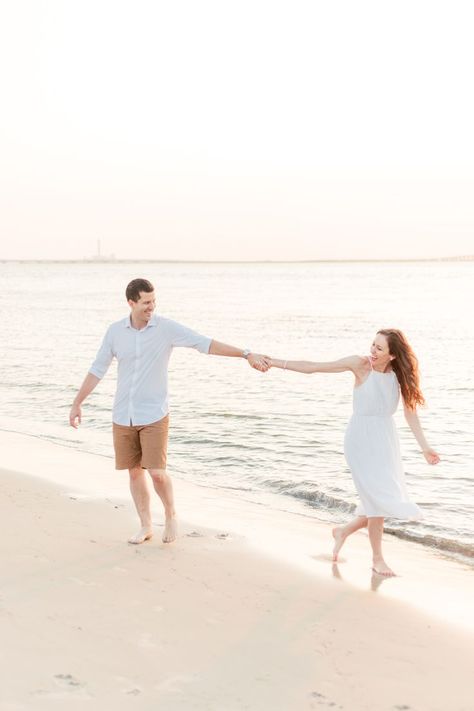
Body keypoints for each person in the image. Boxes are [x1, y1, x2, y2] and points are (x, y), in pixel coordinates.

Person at [69, 278, 270, 545]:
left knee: (156, 472)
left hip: (154, 413)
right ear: (131, 302)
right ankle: (145, 526)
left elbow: (205, 343)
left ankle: (171, 513)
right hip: (123, 415)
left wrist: (246, 354)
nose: (152, 306)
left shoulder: (165, 328)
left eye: (154, 301)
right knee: (134, 472)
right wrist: (77, 402)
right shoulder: (115, 332)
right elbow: (98, 369)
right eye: (146, 302)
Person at [268, 329, 440, 577]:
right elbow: (314, 367)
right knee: (378, 500)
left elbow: (410, 414)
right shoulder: (359, 365)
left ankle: (344, 531)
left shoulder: (397, 376)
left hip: (385, 441)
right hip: (360, 439)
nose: (373, 350)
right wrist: (274, 362)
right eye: (373, 344)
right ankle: (377, 560)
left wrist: (425, 447)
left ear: (393, 355)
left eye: (380, 348)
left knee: (382, 499)